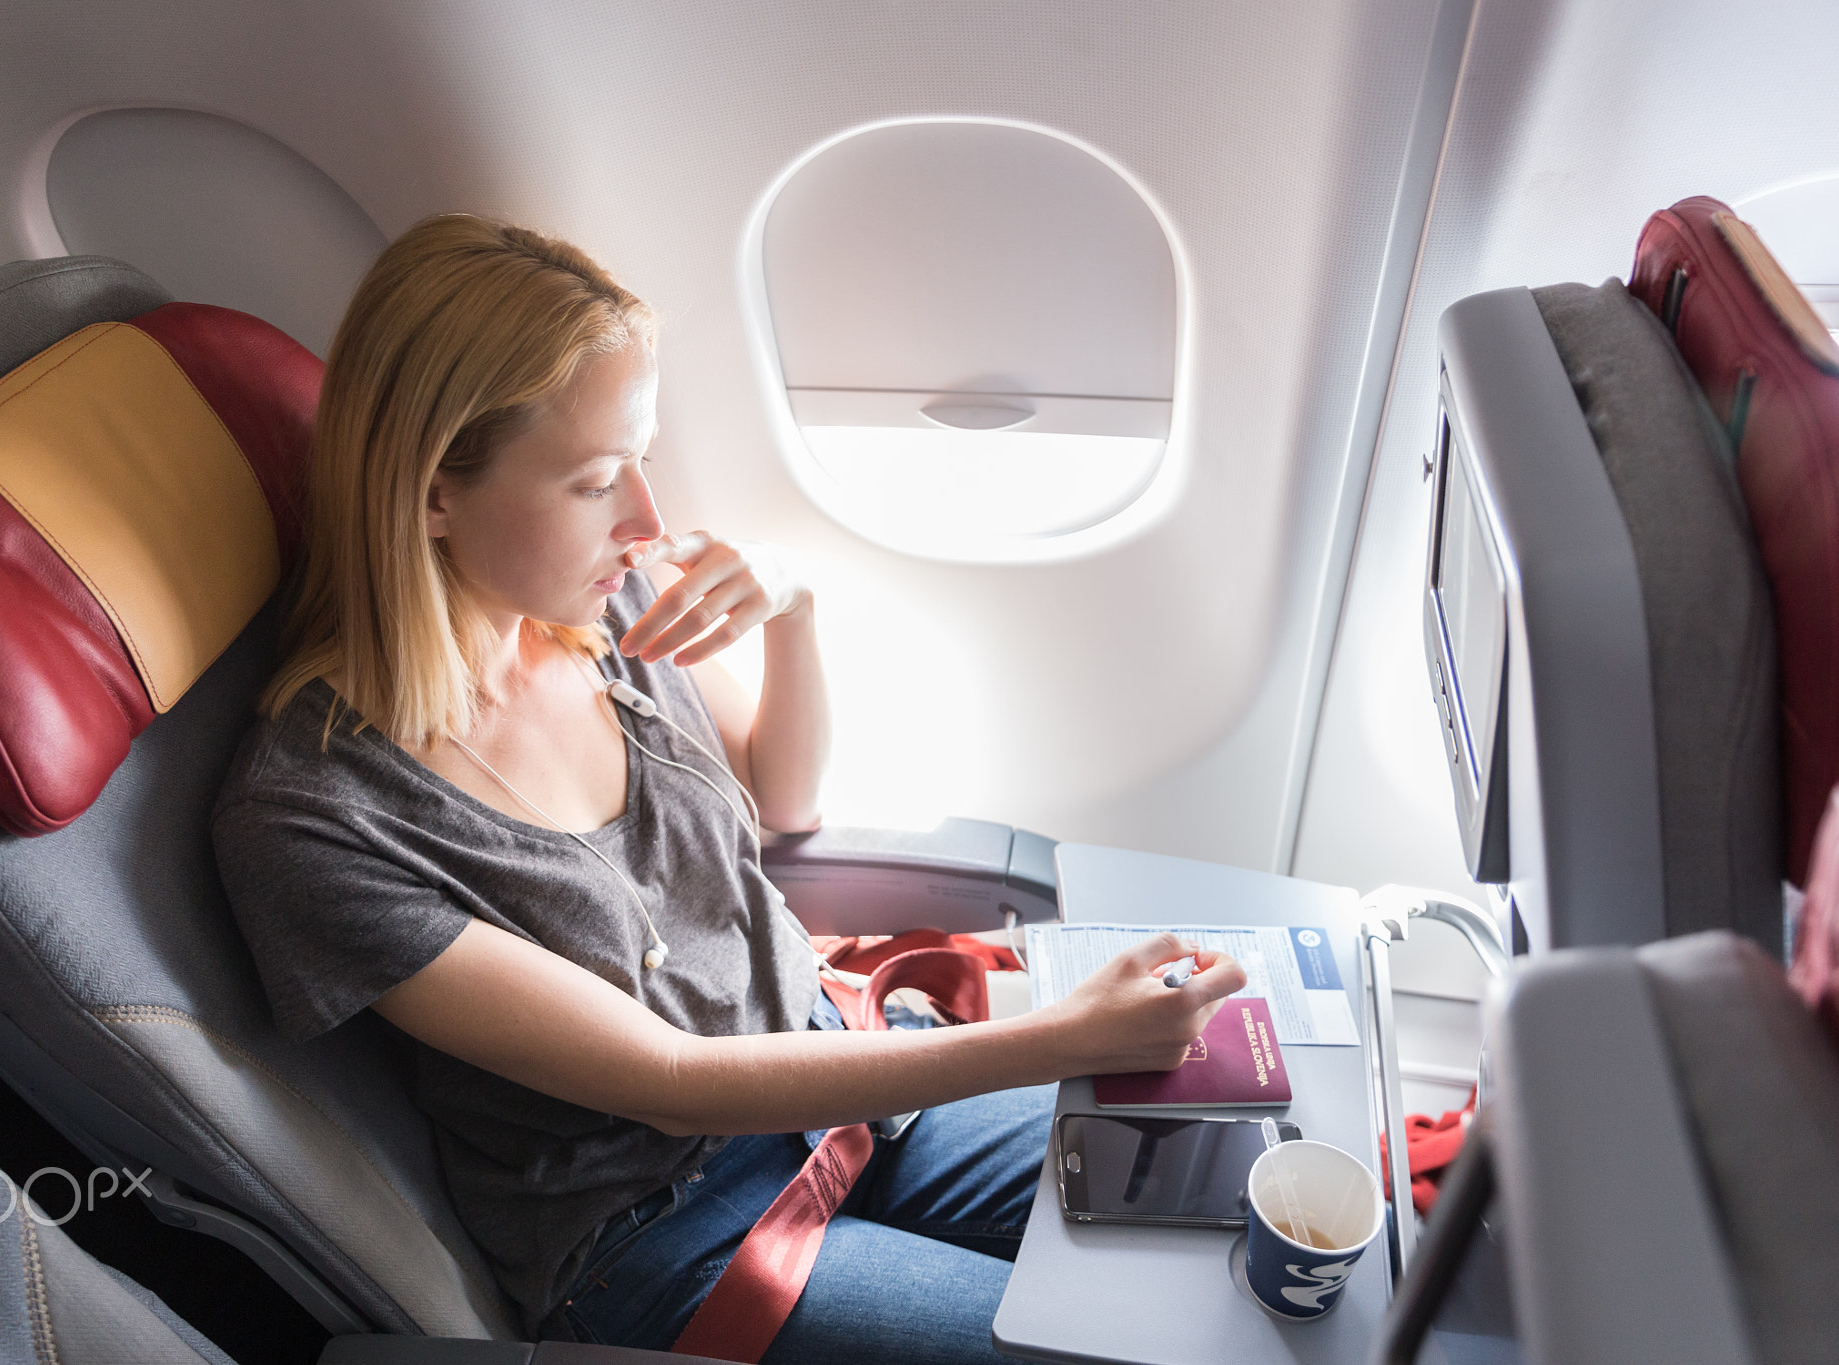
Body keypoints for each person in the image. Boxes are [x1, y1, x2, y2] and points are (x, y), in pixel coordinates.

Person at [212, 214, 1246, 1364]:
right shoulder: (314, 818)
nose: (647, 517)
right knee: (1099, 1349)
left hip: (837, 1076)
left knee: (1214, 1222)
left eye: (640, 459)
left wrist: (796, 615)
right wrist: (1061, 1038)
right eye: (598, 480)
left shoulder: (602, 612)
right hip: (668, 1232)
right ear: (429, 494)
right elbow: (670, 1085)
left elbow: (783, 806)